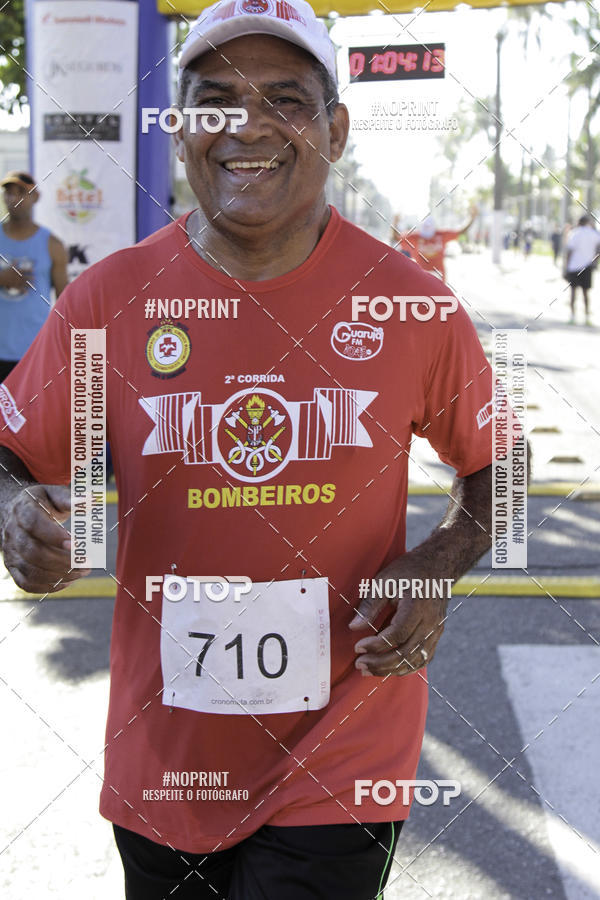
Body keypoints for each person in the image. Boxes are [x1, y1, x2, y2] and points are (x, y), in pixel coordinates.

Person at [0, 2, 500, 896]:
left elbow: (506, 470)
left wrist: (437, 563)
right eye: (216, 98)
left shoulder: (410, 304)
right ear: (183, 125)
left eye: (285, 98)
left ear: (335, 130)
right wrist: (13, 513)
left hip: (345, 751)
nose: (248, 125)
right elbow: (12, 453)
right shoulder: (109, 303)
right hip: (166, 756)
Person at [0, 171, 68, 381]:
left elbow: (65, 302)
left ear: (35, 197)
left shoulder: (52, 245)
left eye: (21, 192)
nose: (13, 198)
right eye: (8, 192)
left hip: (34, 353)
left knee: (28, 414)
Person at [390, 206, 477, 282]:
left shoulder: (441, 235)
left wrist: (472, 218)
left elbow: (461, 232)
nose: (427, 238)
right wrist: (395, 222)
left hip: (438, 277)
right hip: (421, 278)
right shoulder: (415, 237)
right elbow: (396, 238)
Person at [564, 214, 600, 326]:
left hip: (574, 266)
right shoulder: (594, 234)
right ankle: (587, 317)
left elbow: (569, 251)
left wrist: (566, 266)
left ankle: (572, 316)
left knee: (573, 292)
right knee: (586, 293)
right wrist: (595, 261)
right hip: (587, 266)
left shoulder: (575, 233)